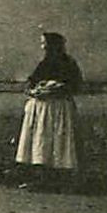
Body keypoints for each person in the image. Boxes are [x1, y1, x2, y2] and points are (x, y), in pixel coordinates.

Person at [17, 31, 83, 183]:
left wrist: (55, 90)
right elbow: (31, 82)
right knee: (41, 140)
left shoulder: (68, 64)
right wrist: (33, 91)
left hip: (59, 108)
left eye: (45, 44)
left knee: (59, 141)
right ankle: (41, 176)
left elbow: (75, 85)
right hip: (41, 109)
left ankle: (60, 177)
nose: (43, 47)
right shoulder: (44, 63)